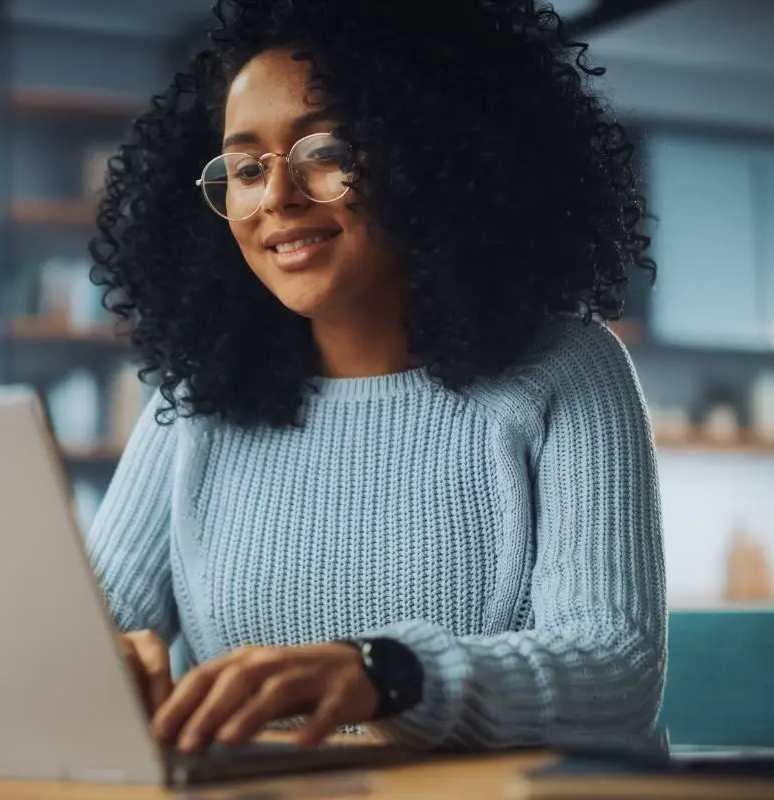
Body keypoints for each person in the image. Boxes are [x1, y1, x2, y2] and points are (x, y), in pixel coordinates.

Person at [84, 0, 665, 756]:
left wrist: (385, 674)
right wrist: (96, 657)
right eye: (246, 168)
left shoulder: (564, 372)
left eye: (324, 151)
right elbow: (96, 620)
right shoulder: (199, 397)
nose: (275, 198)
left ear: (432, 153)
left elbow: (614, 670)